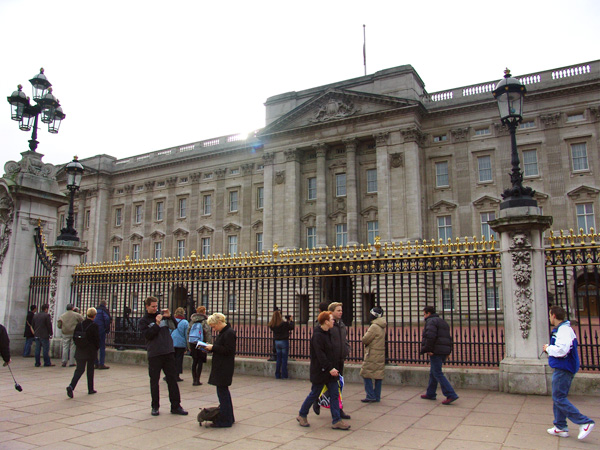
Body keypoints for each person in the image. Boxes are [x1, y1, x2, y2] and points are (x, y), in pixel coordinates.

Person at [544, 305, 595, 440]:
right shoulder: (563, 329)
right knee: (558, 397)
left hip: (564, 368)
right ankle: (560, 427)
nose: (549, 317)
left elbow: (562, 350)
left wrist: (548, 348)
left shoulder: (564, 330)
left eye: (550, 315)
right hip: (563, 367)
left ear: (554, 315)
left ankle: (584, 422)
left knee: (559, 398)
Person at [297, 311, 350, 430]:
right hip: (321, 370)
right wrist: (330, 368)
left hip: (330, 369)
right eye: (331, 319)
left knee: (335, 394)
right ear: (326, 321)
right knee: (315, 393)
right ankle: (302, 414)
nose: (333, 321)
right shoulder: (318, 336)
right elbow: (320, 356)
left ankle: (336, 420)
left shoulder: (329, 333)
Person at [138, 296, 188, 417]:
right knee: (154, 381)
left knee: (172, 380)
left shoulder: (163, 317)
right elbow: (148, 335)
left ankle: (176, 406)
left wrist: (170, 316)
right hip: (155, 353)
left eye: (156, 306)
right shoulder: (143, 321)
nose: (155, 308)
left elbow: (174, 326)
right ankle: (155, 406)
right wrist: (157, 323)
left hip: (168, 352)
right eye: (153, 306)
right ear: (147, 307)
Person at [420, 305, 458, 404]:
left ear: (428, 313)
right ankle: (430, 393)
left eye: (424, 314)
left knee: (437, 372)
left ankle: (451, 394)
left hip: (436, 350)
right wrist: (448, 351)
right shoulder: (442, 321)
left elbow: (430, 337)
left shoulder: (431, 321)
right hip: (443, 349)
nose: (423, 317)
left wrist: (428, 349)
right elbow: (448, 338)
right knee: (433, 372)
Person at [205, 313, 236, 428]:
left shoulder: (229, 333)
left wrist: (213, 347)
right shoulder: (225, 332)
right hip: (221, 365)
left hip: (224, 367)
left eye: (214, 326)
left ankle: (226, 420)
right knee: (223, 393)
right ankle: (228, 417)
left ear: (219, 322)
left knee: (223, 394)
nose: (214, 329)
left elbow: (228, 350)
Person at [66, 307, 100, 398]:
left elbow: (74, 337)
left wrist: (79, 345)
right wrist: (96, 348)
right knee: (90, 370)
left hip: (80, 350)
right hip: (90, 351)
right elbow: (97, 339)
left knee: (79, 370)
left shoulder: (79, 324)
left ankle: (71, 386)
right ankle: (90, 388)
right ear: (94, 315)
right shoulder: (94, 325)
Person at [327, 302, 351, 419]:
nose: (341, 312)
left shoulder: (341, 324)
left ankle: (338, 411)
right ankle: (314, 401)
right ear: (331, 312)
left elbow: (344, 339)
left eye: (341, 310)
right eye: (338, 310)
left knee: (338, 386)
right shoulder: (328, 325)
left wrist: (346, 349)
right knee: (323, 387)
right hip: (331, 361)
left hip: (340, 359)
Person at [360, 306, 386, 403]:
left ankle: (370, 395)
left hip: (372, 353)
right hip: (380, 353)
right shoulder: (382, 325)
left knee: (366, 374)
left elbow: (365, 339)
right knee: (378, 375)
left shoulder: (374, 326)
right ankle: (377, 396)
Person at [187, 306, 212, 386]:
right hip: (201, 342)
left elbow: (188, 333)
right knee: (200, 361)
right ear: (204, 312)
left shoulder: (192, 321)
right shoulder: (204, 321)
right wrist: (208, 344)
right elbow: (208, 333)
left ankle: (194, 379)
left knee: (194, 361)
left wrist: (188, 345)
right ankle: (198, 379)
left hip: (192, 343)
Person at [268, 310, 294, 379]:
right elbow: (291, 327)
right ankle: (284, 375)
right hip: (284, 341)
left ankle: (277, 374)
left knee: (278, 359)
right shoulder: (284, 324)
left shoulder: (272, 325)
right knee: (284, 359)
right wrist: (291, 321)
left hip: (277, 342)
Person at [170, 307, 189, 382]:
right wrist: (187, 345)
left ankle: (170, 374)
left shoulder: (172, 321)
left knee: (171, 360)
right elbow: (186, 334)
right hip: (181, 343)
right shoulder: (185, 322)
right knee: (179, 360)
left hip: (172, 342)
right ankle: (177, 375)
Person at [94, 300, 112, 370]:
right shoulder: (103, 310)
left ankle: (95, 363)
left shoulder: (95, 310)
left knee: (95, 347)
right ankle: (101, 363)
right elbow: (107, 319)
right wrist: (107, 328)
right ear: (105, 304)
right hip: (101, 330)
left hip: (94, 330)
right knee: (102, 347)